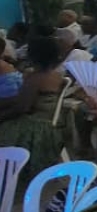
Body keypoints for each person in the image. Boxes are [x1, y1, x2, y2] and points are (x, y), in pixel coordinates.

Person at [0, 36, 65, 175]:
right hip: (50, 123)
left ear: (33, 55)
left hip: (34, 126)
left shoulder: (35, 78)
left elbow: (22, 108)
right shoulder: (56, 75)